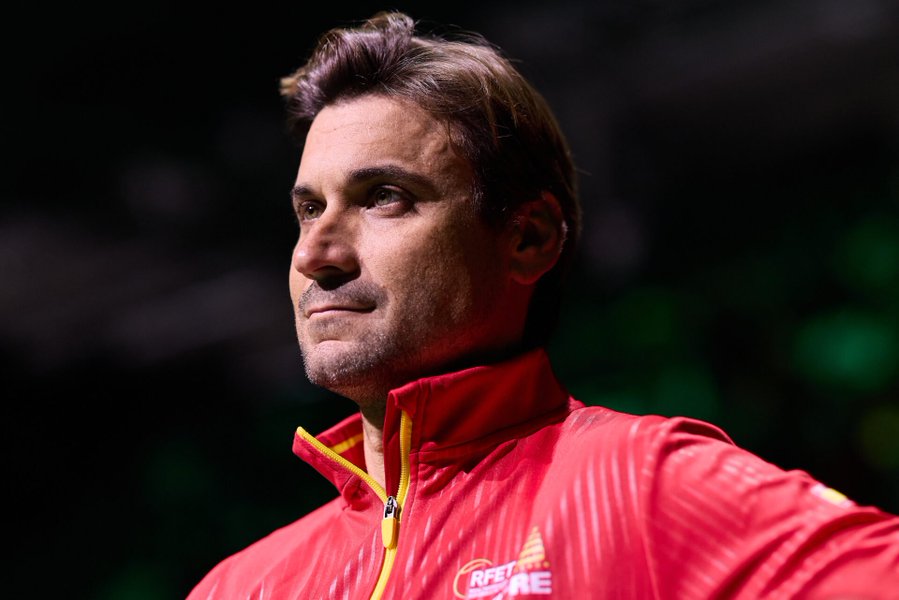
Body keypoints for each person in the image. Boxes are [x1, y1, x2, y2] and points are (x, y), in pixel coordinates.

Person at [188, 11, 898, 600]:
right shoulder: (241, 587)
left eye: (385, 198)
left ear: (527, 239)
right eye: (310, 210)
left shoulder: (641, 486)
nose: (316, 254)